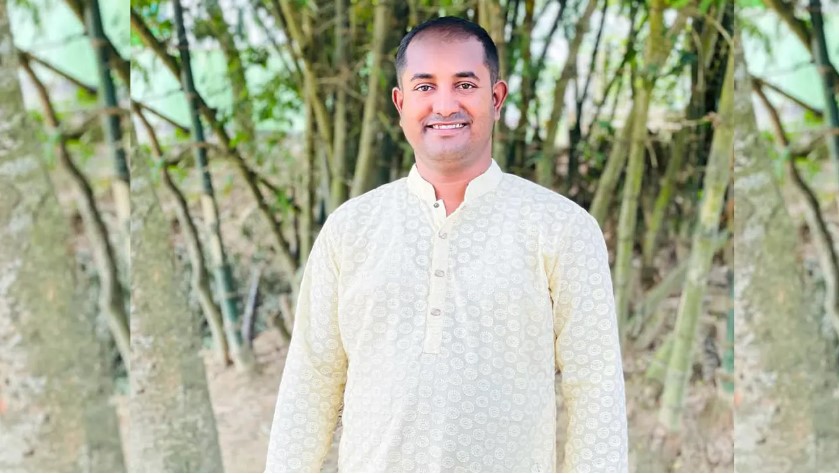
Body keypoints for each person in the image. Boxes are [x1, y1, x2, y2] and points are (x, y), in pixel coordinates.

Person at [265, 16, 628, 473]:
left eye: (465, 84)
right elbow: (311, 380)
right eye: (425, 87)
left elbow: (595, 388)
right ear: (400, 103)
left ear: (496, 98)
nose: (444, 104)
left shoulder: (561, 228)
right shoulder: (350, 229)